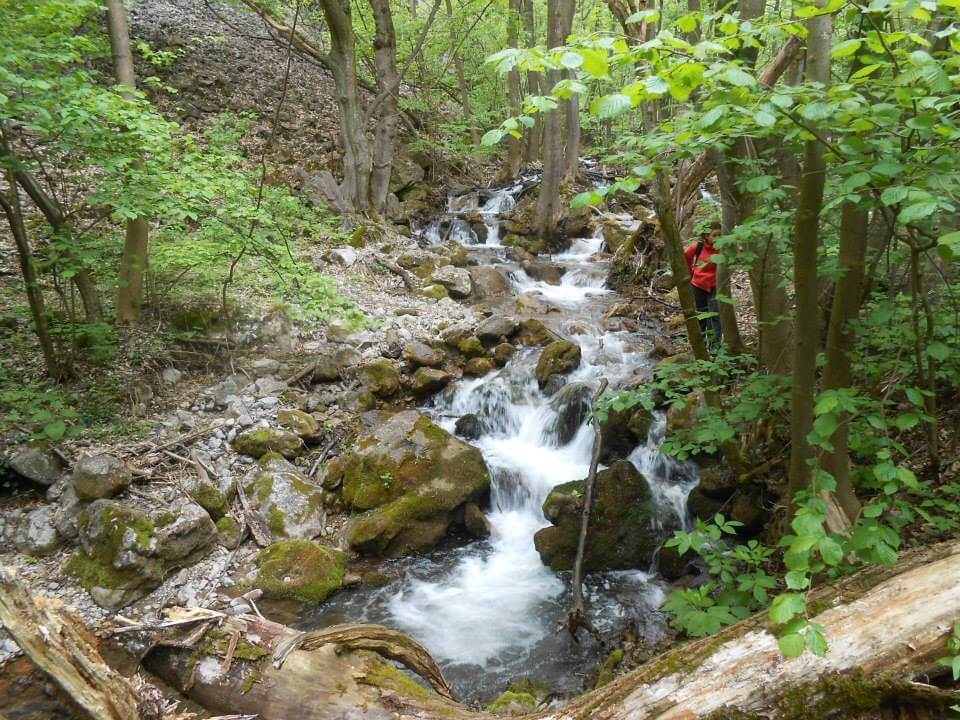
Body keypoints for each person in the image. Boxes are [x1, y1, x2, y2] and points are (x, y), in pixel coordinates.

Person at [684, 223, 722, 349]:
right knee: (701, 315)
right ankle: (700, 346)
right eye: (714, 235)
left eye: (719, 235)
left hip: (715, 284)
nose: (716, 238)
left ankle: (714, 347)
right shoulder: (698, 246)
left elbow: (737, 253)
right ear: (706, 236)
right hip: (698, 284)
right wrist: (691, 273)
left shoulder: (723, 247)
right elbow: (686, 256)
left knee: (715, 315)